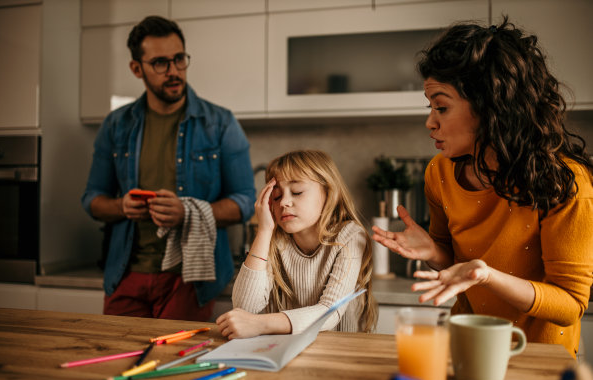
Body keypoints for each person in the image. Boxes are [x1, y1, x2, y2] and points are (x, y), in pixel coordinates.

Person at [372, 17, 593, 358]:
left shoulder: (565, 182)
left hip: (538, 360)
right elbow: (457, 269)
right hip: (468, 346)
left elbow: (570, 304)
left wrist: (487, 277)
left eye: (441, 107)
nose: (430, 121)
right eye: (430, 107)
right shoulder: (439, 173)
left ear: (491, 107)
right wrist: (434, 252)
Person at [81, 16, 256, 320]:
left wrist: (188, 213)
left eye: (179, 59)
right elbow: (92, 199)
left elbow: (245, 201)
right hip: (126, 274)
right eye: (160, 63)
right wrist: (122, 207)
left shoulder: (220, 123)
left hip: (190, 278)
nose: (174, 71)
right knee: (111, 361)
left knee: (175, 365)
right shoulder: (116, 125)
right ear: (137, 68)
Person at [217, 150, 377, 339]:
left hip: (338, 350)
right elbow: (244, 307)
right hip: (282, 350)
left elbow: (330, 311)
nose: (284, 202)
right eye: (276, 196)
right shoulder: (273, 240)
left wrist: (261, 324)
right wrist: (264, 230)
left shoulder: (351, 235)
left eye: (297, 192)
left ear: (329, 192)